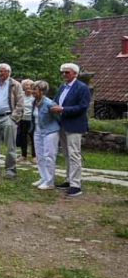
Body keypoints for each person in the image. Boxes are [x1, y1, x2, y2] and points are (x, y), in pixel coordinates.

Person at [51, 63, 91, 197]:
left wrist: (62, 109)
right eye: (62, 72)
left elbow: (83, 107)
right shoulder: (62, 87)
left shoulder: (82, 88)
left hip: (75, 124)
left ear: (75, 73)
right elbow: (56, 101)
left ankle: (76, 185)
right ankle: (68, 180)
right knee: (67, 154)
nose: (64, 75)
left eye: (67, 72)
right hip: (62, 123)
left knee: (74, 154)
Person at [0, 63, 24, 178]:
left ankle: (10, 170)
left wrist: (13, 118)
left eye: (3, 71)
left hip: (8, 117)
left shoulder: (15, 85)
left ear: (8, 72)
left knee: (10, 145)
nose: (0, 73)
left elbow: (20, 103)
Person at [31, 80, 61, 190]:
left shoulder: (49, 103)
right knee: (39, 156)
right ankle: (43, 178)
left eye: (35, 89)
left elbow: (59, 117)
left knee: (49, 156)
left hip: (50, 132)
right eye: (32, 88)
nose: (32, 91)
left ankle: (50, 182)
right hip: (37, 132)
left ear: (42, 91)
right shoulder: (34, 102)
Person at [17, 79, 36, 163]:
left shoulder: (35, 96)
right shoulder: (20, 95)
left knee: (33, 138)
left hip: (32, 120)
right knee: (23, 137)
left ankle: (34, 156)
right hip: (22, 119)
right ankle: (23, 155)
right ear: (23, 86)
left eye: (30, 85)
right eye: (26, 85)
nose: (28, 86)